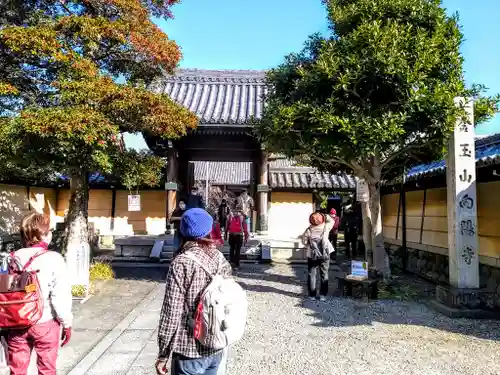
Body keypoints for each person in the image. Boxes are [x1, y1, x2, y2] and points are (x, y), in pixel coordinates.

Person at [156, 208, 232, 375]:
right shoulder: (220, 259)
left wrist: (163, 353)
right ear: (208, 230)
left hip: (188, 349)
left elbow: (171, 312)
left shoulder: (181, 263)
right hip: (215, 346)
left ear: (183, 231)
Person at [7, 212, 73, 375]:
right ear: (44, 235)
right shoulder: (54, 258)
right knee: (47, 369)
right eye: (49, 230)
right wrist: (66, 323)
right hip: (45, 321)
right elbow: (60, 295)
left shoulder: (11, 258)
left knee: (17, 370)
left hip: (16, 322)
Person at [301, 212, 333, 301]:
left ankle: (312, 295)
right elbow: (332, 220)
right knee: (324, 274)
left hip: (312, 254)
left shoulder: (309, 230)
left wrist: (309, 243)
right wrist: (325, 215)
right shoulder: (326, 227)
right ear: (322, 220)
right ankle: (323, 295)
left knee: (312, 274)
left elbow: (304, 241)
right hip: (325, 253)